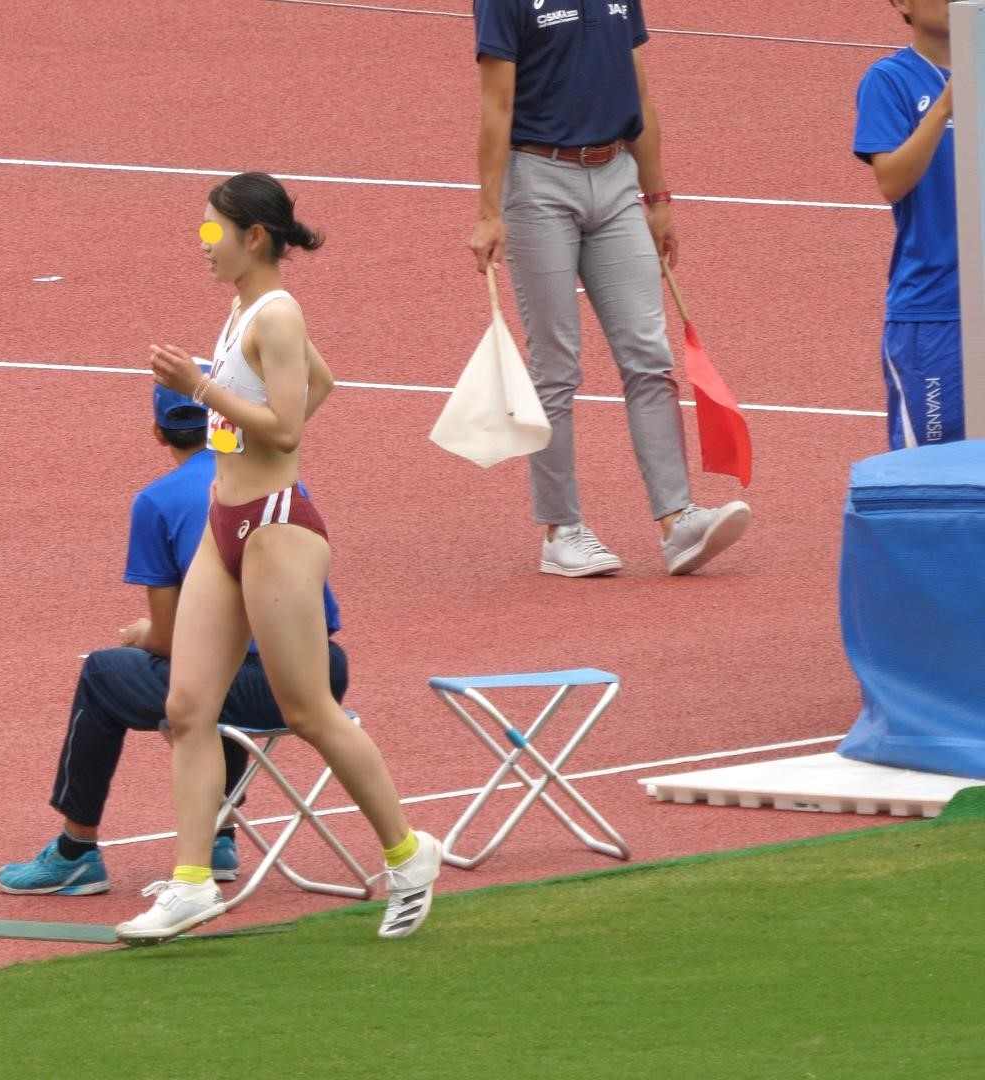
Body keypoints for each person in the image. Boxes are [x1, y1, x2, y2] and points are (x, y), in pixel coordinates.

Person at [118, 172, 440, 944]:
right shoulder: (243, 310)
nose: (203, 244)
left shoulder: (279, 314)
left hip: (274, 529)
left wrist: (199, 387)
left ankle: (408, 854)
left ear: (253, 236)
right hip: (224, 522)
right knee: (187, 708)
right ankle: (192, 881)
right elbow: (320, 382)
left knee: (307, 711)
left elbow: (288, 426)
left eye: (212, 231)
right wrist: (229, 422)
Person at [0, 383, 349, 897]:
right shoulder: (280, 484)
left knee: (106, 673)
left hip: (255, 687)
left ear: (158, 433)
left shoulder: (157, 501)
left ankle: (76, 849)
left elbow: (167, 640)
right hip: (322, 674)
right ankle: (219, 834)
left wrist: (144, 634)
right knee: (219, 671)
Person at [470, 0, 752, 578]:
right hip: (538, 183)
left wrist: (658, 196)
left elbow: (639, 91)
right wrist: (489, 212)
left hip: (617, 176)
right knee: (555, 364)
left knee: (649, 353)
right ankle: (561, 532)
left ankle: (678, 521)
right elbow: (497, 105)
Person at [856, 0, 965, 448]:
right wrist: (945, 107)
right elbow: (892, 182)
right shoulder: (889, 80)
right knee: (933, 471)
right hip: (935, 311)